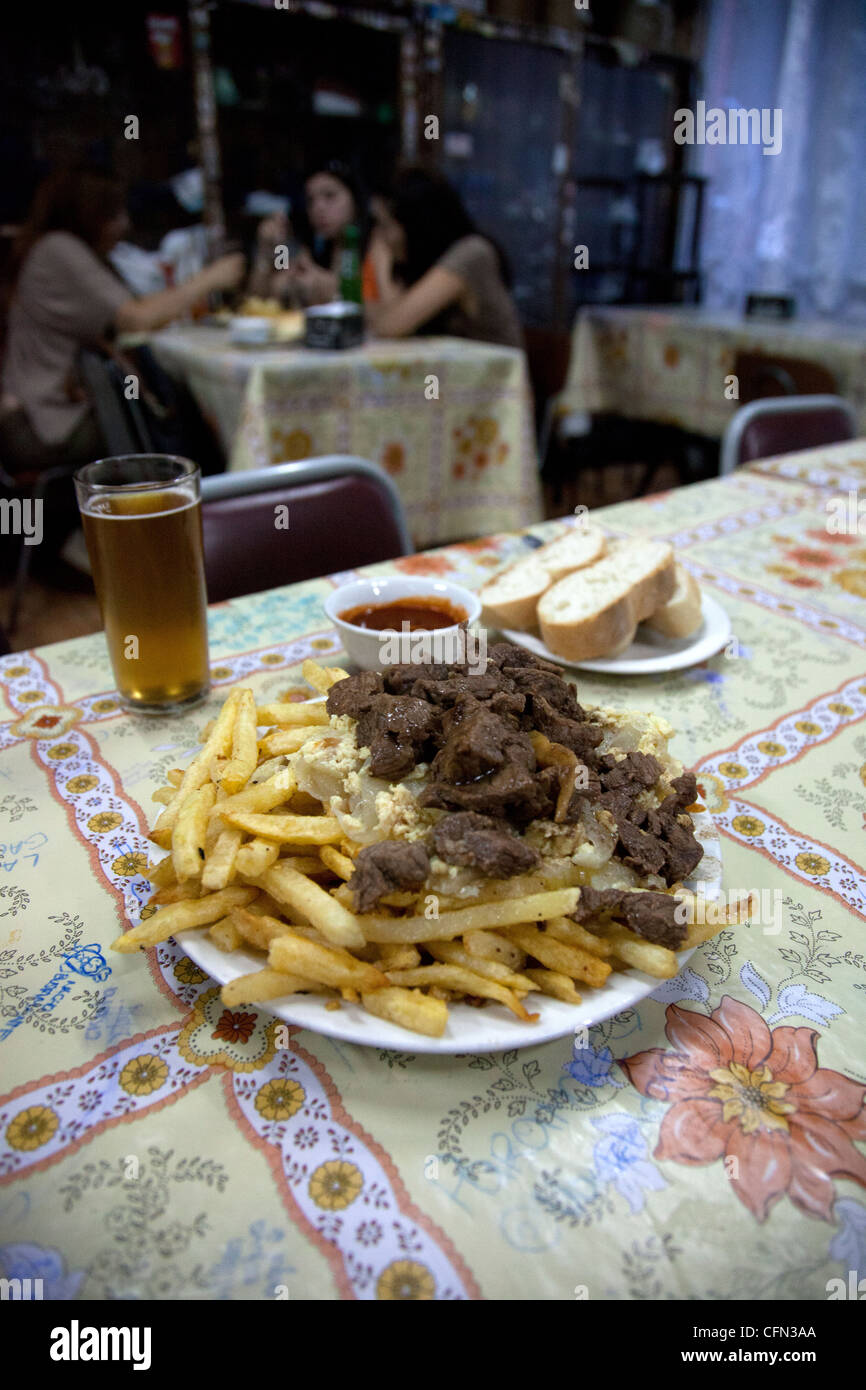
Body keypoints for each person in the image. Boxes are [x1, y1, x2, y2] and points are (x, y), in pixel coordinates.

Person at [0, 167, 245, 478]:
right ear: (89, 215)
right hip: (40, 424)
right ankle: (204, 501)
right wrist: (210, 279)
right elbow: (137, 318)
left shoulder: (53, 248)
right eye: (114, 215)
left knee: (173, 410)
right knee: (173, 428)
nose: (125, 224)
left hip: (40, 412)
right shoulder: (59, 249)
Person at [365, 168, 522, 348]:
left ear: (416, 225)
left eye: (385, 226)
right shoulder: (421, 262)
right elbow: (381, 318)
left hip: (494, 375)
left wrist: (381, 260)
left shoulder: (471, 254)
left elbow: (391, 326)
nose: (379, 235)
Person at [250, 160, 366, 306]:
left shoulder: (374, 245)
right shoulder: (314, 248)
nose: (318, 208)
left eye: (330, 196)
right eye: (311, 200)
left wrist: (328, 286)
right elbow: (276, 286)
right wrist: (272, 250)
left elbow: (373, 305)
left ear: (355, 200)